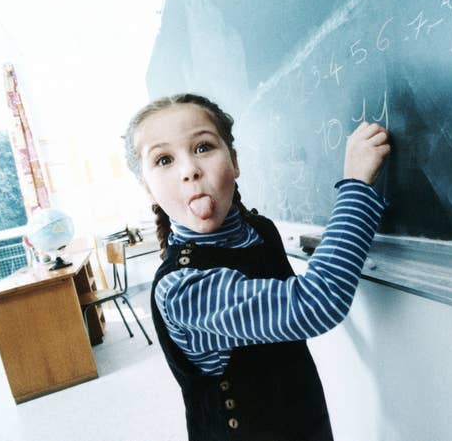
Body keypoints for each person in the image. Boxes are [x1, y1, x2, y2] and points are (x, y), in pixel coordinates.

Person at [123, 93, 390, 441]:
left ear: (234, 161)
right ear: (148, 189)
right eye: (163, 160)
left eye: (203, 147)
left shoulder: (258, 230)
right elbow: (316, 303)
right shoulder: (184, 289)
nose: (189, 170)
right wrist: (356, 184)